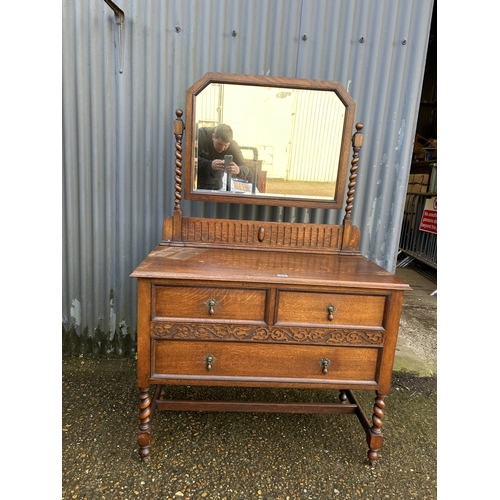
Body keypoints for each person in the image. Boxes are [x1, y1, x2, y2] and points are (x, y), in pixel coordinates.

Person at [196, 124, 250, 190]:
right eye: (219, 144)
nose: (222, 148)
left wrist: (238, 169)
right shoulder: (200, 135)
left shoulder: (233, 145)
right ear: (213, 137)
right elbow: (188, 159)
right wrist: (209, 164)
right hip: (195, 184)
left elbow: (245, 168)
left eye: (226, 146)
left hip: (216, 185)